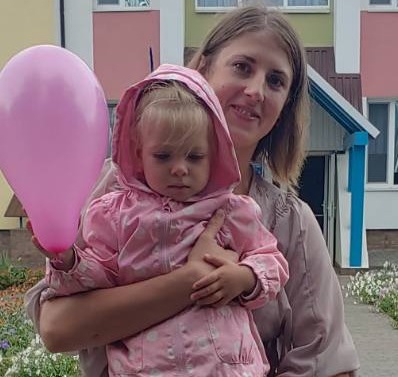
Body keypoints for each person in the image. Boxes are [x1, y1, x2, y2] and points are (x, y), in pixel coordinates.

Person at [25, 3, 360, 377]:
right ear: (202, 70)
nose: (256, 90)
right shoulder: (115, 191)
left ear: (285, 106)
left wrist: (244, 278)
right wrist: (189, 280)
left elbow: (330, 363)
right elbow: (57, 328)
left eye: (276, 81)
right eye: (242, 67)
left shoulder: (289, 222)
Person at [40, 65, 289, 376]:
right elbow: (99, 276)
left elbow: (271, 260)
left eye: (194, 157)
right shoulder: (114, 215)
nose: (180, 169)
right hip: (148, 367)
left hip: (224, 368)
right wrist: (68, 261)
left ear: (215, 155)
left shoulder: (228, 211)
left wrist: (244, 277)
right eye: (163, 156)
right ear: (138, 154)